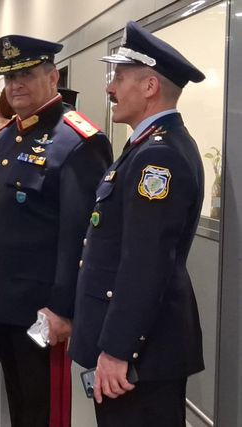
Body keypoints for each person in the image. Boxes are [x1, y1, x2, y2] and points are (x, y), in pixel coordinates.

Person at [0, 35, 113, 427]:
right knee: (18, 404)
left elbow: (82, 235)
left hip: (42, 310)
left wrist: (64, 308)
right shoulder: (8, 137)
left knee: (43, 410)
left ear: (53, 76)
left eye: (27, 75)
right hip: (2, 304)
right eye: (9, 77)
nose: (16, 85)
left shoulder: (77, 141)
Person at [69, 21, 206, 427]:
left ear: (149, 87)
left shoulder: (158, 157)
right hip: (139, 347)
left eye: (119, 78)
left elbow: (145, 262)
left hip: (140, 353)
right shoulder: (147, 147)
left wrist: (117, 350)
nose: (110, 88)